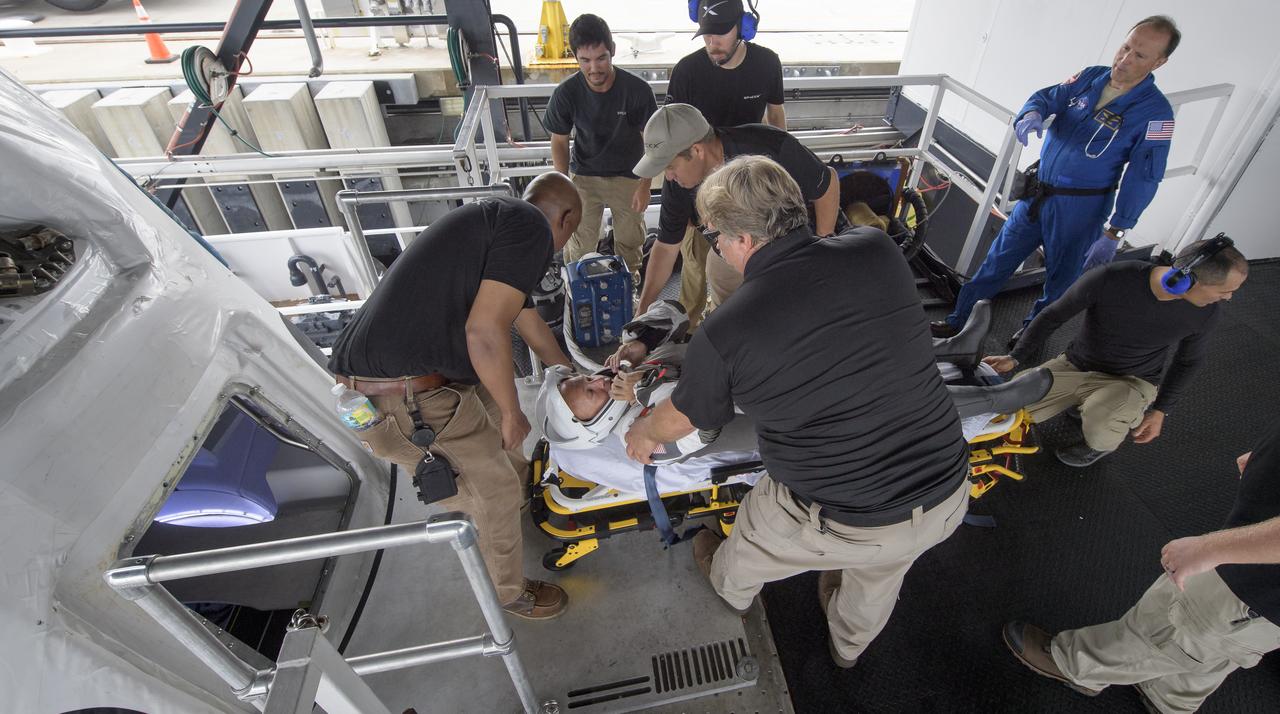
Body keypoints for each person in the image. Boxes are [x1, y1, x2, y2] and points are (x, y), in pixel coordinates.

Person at [624, 156, 970, 668]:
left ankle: (729, 591)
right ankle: (849, 648)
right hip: (946, 495)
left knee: (753, 535)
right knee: (883, 573)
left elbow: (680, 421)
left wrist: (642, 431)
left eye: (714, 236)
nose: (714, 246)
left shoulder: (726, 332)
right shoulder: (877, 249)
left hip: (840, 518)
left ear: (741, 240)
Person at [327, 173, 582, 620]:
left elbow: (525, 320)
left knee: (510, 455)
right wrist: (510, 411)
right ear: (564, 219)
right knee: (493, 489)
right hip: (404, 399)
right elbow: (484, 331)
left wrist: (567, 369)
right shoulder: (531, 229)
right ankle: (507, 591)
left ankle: (518, 507)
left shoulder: (496, 223)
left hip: (416, 375)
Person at [1003, 417, 1280, 713]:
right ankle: (1170, 700)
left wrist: (1209, 549)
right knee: (1217, 647)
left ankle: (1077, 665)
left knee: (1174, 625)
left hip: (1252, 583)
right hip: (1258, 579)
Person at [932, 15, 1181, 344]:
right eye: (1125, 47)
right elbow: (1048, 96)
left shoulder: (1155, 114)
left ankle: (1031, 336)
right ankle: (959, 319)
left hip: (1082, 207)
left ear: (1159, 62)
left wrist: (1116, 229)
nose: (1124, 59)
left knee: (1062, 279)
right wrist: (1031, 112)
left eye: (1139, 55)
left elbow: (1144, 177)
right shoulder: (1091, 78)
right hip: (1038, 193)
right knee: (998, 259)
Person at [983, 236, 1247, 467]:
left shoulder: (1206, 313)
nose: (1228, 298)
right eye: (1226, 291)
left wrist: (1160, 411)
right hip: (1076, 365)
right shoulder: (1112, 278)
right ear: (1186, 280)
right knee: (1006, 406)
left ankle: (1098, 445)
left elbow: (1188, 362)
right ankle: (1084, 402)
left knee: (1105, 414)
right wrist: (1015, 357)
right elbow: (1053, 315)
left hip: (1131, 382)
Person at [631, 103, 840, 318]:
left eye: (670, 167)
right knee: (720, 277)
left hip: (792, 246)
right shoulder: (678, 184)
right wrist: (642, 310)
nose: (668, 177)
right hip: (734, 250)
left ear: (696, 150)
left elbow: (827, 182)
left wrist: (823, 244)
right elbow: (666, 247)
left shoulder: (769, 146)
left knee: (796, 311)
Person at [667, 0, 786, 324]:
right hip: (698, 186)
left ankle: (737, 323)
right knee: (694, 263)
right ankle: (688, 327)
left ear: (743, 27)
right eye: (706, 34)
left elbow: (776, 119)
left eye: (720, 33)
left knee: (746, 265)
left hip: (748, 191)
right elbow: (672, 138)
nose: (711, 42)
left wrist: (780, 175)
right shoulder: (687, 71)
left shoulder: (767, 64)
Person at [545, 13, 657, 278]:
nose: (594, 68)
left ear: (613, 52)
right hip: (583, 175)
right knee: (580, 241)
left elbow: (652, 142)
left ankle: (628, 284)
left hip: (629, 175)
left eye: (601, 58)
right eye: (585, 60)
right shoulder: (566, 93)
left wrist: (645, 185)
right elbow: (559, 140)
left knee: (630, 240)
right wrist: (563, 185)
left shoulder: (638, 91)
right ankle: (579, 286)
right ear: (575, 58)